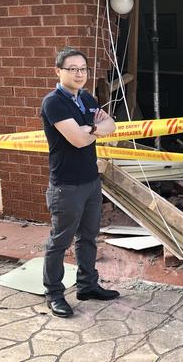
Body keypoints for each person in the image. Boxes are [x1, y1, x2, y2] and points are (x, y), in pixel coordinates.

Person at [41, 46, 118, 318]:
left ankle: (87, 285)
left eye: (83, 68)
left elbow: (111, 127)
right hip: (66, 185)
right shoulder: (54, 102)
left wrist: (90, 129)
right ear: (58, 71)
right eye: (72, 69)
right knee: (59, 242)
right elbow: (76, 140)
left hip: (91, 181)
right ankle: (54, 293)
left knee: (88, 238)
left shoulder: (86, 97)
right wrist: (93, 130)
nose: (78, 73)